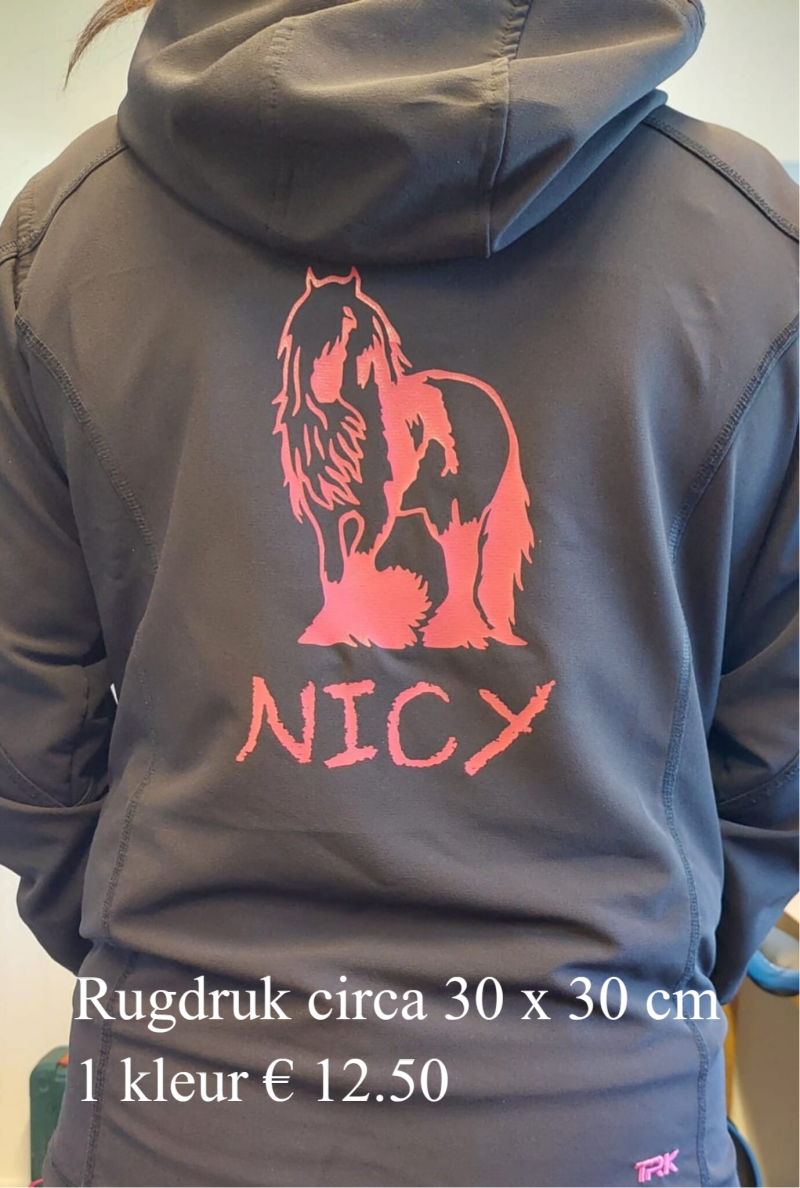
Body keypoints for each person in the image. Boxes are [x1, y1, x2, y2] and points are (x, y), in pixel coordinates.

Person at [2, 0, 799, 1184]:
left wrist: (174, 976)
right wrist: (633, 981)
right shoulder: (755, 246)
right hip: (592, 1116)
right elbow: (775, 765)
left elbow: (30, 751)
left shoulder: (60, 245)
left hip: (186, 1113)